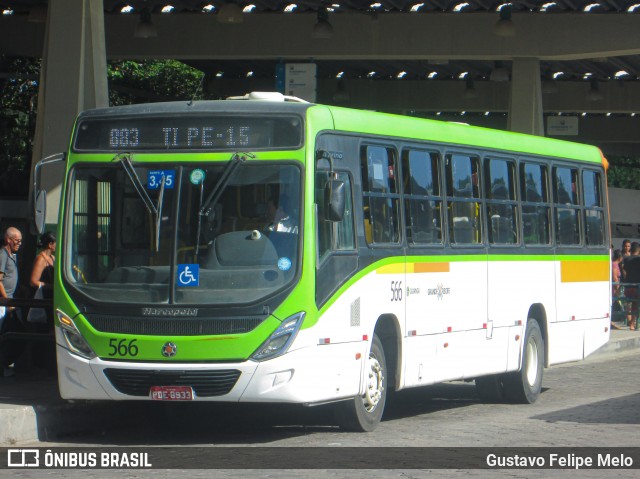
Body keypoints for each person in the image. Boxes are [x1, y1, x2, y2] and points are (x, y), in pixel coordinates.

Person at [0, 226, 23, 377]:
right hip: (3, 303)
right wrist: (7, 301)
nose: (19, 243)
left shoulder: (11, 255)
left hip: (9, 301)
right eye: (17, 240)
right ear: (8, 239)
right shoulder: (2, 255)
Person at [29, 231, 55, 326]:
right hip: (43, 299)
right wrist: (51, 286)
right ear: (50, 244)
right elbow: (33, 281)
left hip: (51, 299)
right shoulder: (41, 259)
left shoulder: (52, 258)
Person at [622, 242, 640, 330]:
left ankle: (629, 321)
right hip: (637, 286)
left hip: (627, 285)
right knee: (635, 305)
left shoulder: (626, 259)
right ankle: (632, 323)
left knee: (628, 304)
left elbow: (624, 271)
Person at [611, 249, 623, 330]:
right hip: (613, 289)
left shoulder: (613, 264)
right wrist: (617, 289)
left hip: (613, 288)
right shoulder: (615, 265)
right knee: (612, 304)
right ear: (620, 257)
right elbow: (615, 278)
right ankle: (611, 321)